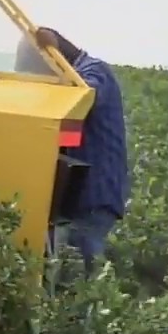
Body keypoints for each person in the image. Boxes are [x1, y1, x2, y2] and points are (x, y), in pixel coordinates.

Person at [34, 27, 129, 274]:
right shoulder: (78, 80)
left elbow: (82, 97)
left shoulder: (95, 73)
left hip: (94, 200)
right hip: (78, 200)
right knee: (63, 277)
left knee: (76, 284)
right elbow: (67, 136)